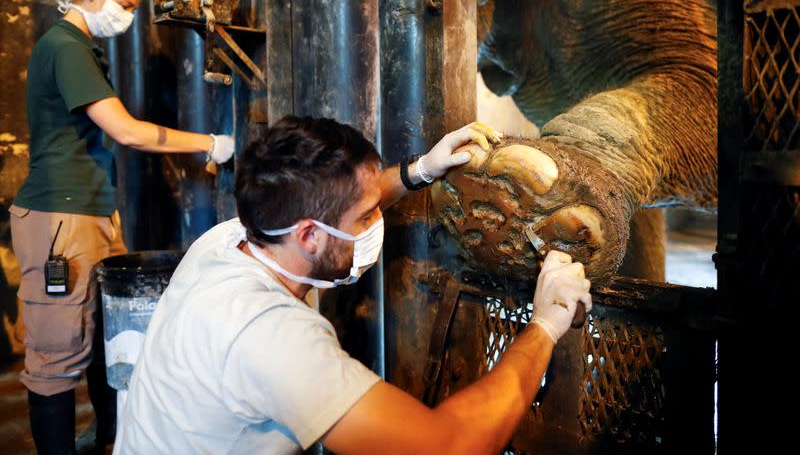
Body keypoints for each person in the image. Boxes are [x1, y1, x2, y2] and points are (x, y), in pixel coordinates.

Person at [114, 116, 592, 454]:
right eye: (365, 218)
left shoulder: (230, 239)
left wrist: (419, 170)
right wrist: (545, 324)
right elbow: (449, 446)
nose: (374, 222)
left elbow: (335, 202)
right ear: (309, 236)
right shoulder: (268, 335)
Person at [9, 0, 235, 454]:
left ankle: (111, 441)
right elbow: (127, 131)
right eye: (127, 6)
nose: (129, 17)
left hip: (87, 214)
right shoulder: (65, 47)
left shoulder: (83, 48)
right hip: (58, 219)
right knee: (56, 355)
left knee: (100, 341)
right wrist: (212, 143)